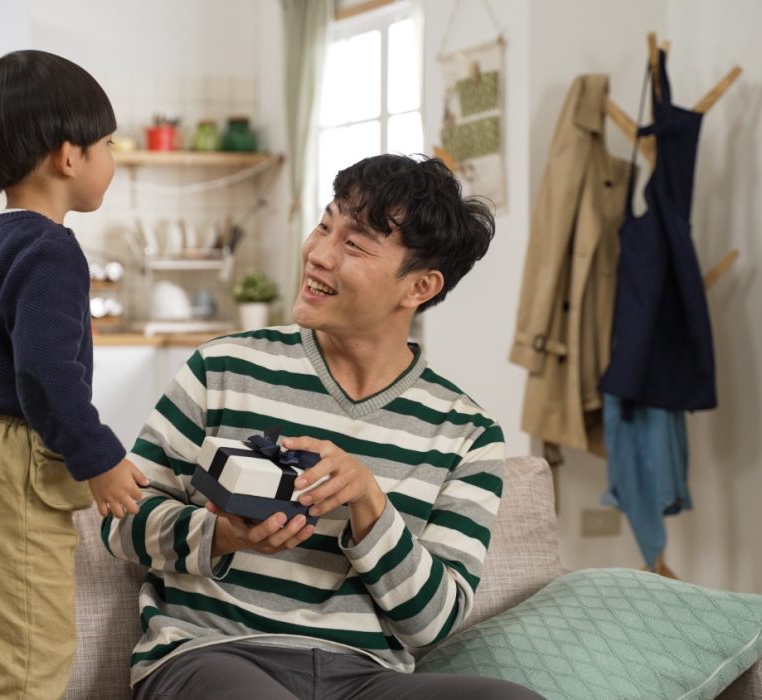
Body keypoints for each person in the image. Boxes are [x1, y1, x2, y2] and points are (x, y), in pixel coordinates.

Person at [103, 154, 542, 699]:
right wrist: (224, 535)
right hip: (211, 654)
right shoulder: (224, 369)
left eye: (354, 245)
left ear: (420, 287)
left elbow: (434, 623)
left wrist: (368, 504)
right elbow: (120, 524)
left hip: (363, 677)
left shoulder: (466, 434)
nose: (317, 254)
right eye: (325, 225)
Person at [0, 50, 149, 700]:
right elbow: (46, 376)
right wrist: (100, 459)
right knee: (33, 660)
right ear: (68, 156)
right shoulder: (52, 250)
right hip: (14, 463)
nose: (113, 158)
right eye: (107, 143)